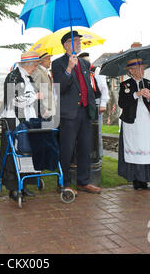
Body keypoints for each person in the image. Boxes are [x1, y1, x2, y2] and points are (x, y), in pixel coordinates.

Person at [51, 31, 101, 195]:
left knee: (85, 148)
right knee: (67, 149)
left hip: (85, 112)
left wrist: (93, 106)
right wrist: (69, 68)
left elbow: (88, 86)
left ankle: (83, 181)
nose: (79, 43)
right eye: (76, 41)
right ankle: (63, 183)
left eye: (80, 40)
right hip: (69, 113)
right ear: (66, 45)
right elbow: (60, 87)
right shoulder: (58, 63)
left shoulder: (85, 63)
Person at [0, 51, 42, 200]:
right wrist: (35, 96)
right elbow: (14, 100)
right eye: (35, 65)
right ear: (27, 64)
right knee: (12, 153)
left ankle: (24, 184)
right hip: (13, 120)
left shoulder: (29, 78)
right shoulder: (12, 77)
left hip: (27, 119)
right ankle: (13, 188)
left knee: (26, 152)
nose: (35, 68)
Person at [117, 59, 150, 190]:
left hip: (148, 122)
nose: (142, 71)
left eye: (143, 68)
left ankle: (146, 179)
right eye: (139, 68)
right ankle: (136, 179)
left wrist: (149, 97)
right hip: (133, 122)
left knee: (147, 147)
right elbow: (122, 103)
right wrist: (136, 94)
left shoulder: (149, 83)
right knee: (135, 147)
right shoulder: (125, 85)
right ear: (131, 71)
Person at [31, 51, 55, 118]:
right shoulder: (37, 72)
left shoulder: (45, 72)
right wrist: (41, 109)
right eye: (48, 59)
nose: (50, 61)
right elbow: (36, 90)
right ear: (41, 61)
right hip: (44, 109)